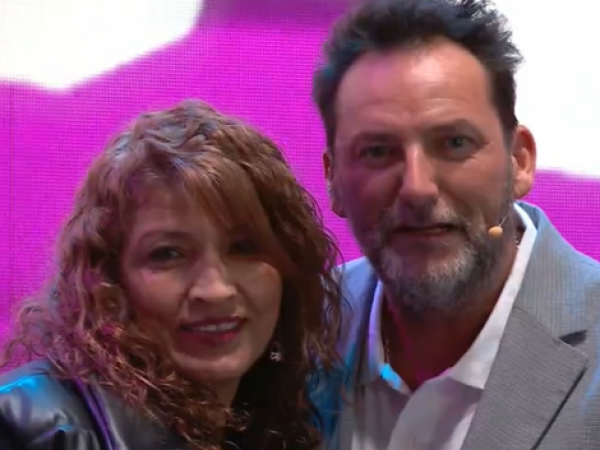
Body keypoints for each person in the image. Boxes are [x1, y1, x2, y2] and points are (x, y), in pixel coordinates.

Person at [311, 0, 600, 449]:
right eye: (377, 151)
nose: (417, 188)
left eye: (455, 143)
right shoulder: (297, 326)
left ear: (519, 160)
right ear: (332, 180)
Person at [0, 100, 343, 450]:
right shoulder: (24, 429)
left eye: (243, 248)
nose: (215, 290)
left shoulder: (281, 424)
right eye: (168, 254)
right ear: (110, 281)